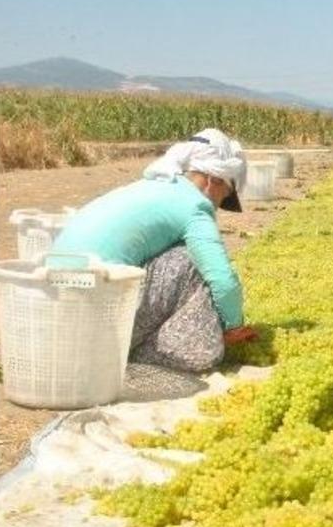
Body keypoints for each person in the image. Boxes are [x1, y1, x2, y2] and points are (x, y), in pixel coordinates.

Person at [52, 128, 258, 372]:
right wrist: (233, 326)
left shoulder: (152, 186)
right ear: (214, 180)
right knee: (191, 261)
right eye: (223, 197)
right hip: (94, 311)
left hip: (56, 304)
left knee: (182, 253)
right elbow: (223, 278)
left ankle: (134, 343)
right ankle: (136, 352)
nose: (218, 206)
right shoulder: (194, 205)